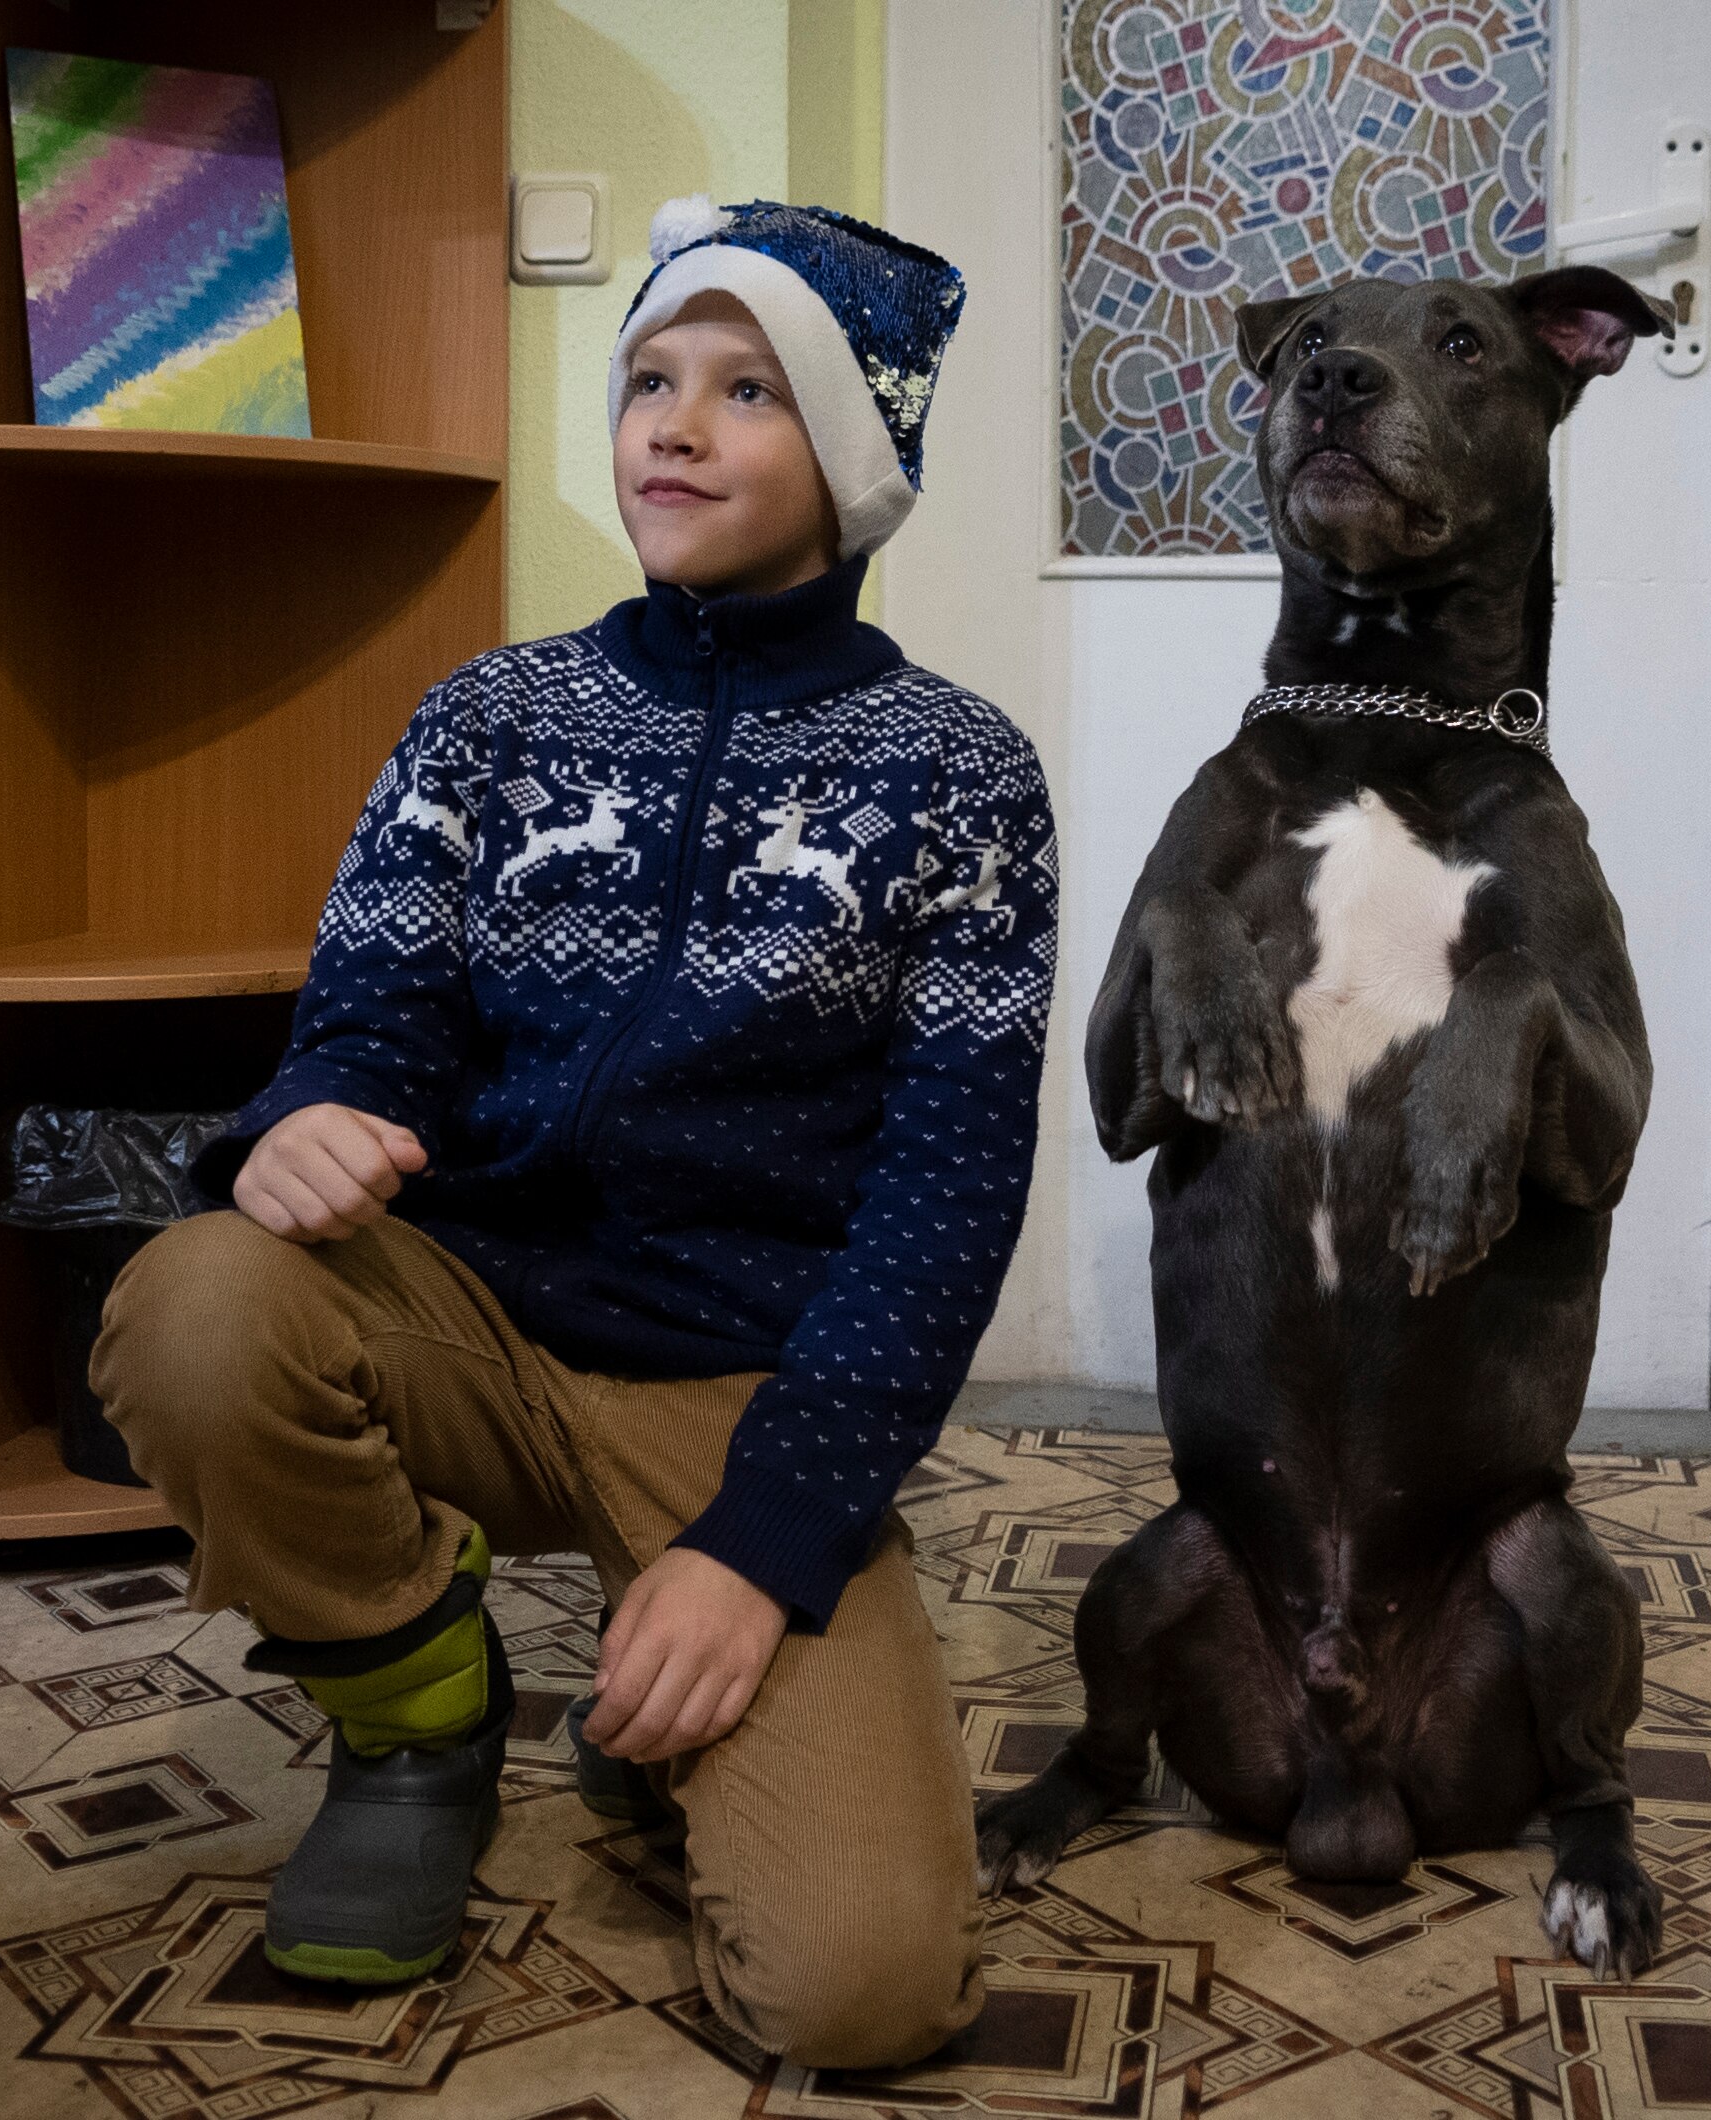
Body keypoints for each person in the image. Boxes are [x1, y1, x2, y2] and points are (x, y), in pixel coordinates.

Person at [90, 196, 1054, 2071]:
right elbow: (369, 1015)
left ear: (854, 458)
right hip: (464, 1316)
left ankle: (668, 1716)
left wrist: (766, 1542)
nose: (673, 427)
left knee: (859, 1997)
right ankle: (417, 1713)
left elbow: (946, 1200)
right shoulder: (488, 718)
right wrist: (309, 1115)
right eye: (648, 380)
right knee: (193, 1301)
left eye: (748, 390)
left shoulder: (963, 773)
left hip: (741, 1385)